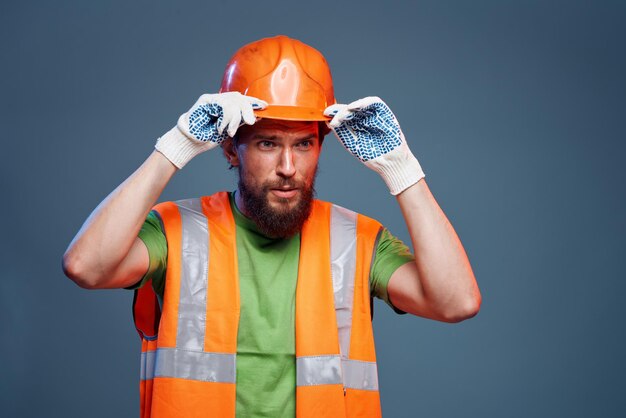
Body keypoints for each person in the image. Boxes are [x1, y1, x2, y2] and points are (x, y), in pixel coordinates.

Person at [63, 35, 481, 418]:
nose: (287, 168)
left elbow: (456, 302)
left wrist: (402, 171)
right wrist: (175, 147)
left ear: (321, 146)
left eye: (303, 144)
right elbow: (86, 266)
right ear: (231, 148)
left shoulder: (357, 239)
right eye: (268, 144)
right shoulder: (176, 229)